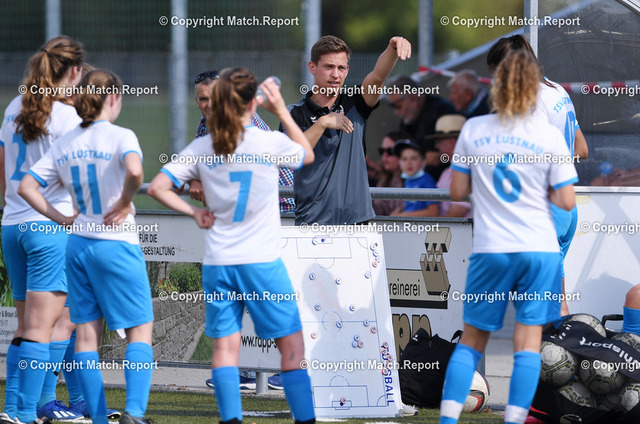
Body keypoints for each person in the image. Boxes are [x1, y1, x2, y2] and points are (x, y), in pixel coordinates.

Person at [147, 68, 315, 424]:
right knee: (292, 348)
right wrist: (281, 110)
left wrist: (194, 212)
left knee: (225, 348)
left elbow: (158, 187)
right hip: (261, 263)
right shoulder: (266, 141)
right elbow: (307, 155)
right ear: (252, 105)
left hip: (219, 262)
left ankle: (230, 421)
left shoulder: (203, 145)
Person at [439, 50, 577, 424]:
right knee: (528, 343)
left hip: (493, 248)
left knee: (472, 341)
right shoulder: (548, 135)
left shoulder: (474, 129)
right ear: (534, 87)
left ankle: (447, 420)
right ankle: (513, 420)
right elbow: (566, 201)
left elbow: (456, 193)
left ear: (496, 85)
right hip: (539, 249)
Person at [19, 69, 156, 424]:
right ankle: (134, 413)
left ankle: (97, 417)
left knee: (85, 336)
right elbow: (135, 172)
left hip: (78, 245)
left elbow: (26, 187)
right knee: (140, 330)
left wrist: (62, 218)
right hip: (116, 243)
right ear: (113, 98)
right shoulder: (121, 135)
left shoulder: (66, 142)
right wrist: (124, 201)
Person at [0, 35, 84, 424]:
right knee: (42, 328)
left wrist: (12, 207)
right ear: (75, 72)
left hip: (12, 226)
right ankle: (22, 411)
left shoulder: (13, 107)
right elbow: (80, 180)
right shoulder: (68, 117)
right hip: (50, 227)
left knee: (30, 325)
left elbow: (3, 172)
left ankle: (21, 407)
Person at [194, 69, 285, 391]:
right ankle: (251, 372)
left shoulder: (245, 126)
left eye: (212, 98)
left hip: (275, 217)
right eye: (201, 99)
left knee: (271, 303)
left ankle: (283, 369)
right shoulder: (207, 126)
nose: (207, 105)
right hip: (246, 230)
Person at [487, 34, 589, 317]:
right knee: (555, 300)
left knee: (542, 304)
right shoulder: (557, 90)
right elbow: (582, 149)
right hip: (567, 208)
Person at [284, 35, 411, 225]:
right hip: (312, 224)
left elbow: (377, 78)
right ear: (312, 67)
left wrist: (393, 48)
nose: (335, 74)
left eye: (341, 68)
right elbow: (293, 156)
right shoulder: (294, 113)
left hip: (357, 222)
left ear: (347, 70)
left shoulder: (356, 102)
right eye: (329, 67)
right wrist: (322, 123)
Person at [193, 69, 294, 214]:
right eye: (204, 99)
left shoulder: (241, 118)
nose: (210, 105)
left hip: (281, 206)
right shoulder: (206, 123)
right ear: (197, 102)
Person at [385, 75, 456, 181]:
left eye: (398, 106)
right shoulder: (409, 117)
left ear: (413, 98)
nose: (396, 112)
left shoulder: (440, 111)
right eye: (393, 106)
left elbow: (435, 158)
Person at [427, 114, 472, 218]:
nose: (436, 146)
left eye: (439, 141)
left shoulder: (469, 171)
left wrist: (421, 224)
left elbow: (454, 216)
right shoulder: (447, 172)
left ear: (451, 142)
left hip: (458, 228)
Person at [391, 139, 439, 217]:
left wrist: (404, 215)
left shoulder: (427, 180)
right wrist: (398, 212)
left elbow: (434, 212)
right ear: (399, 162)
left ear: (423, 162)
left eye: (414, 158)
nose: (409, 162)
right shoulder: (408, 180)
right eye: (404, 159)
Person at [372, 131, 408, 216]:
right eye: (382, 151)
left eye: (390, 151)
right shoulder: (384, 180)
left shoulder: (413, 180)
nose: (385, 155)